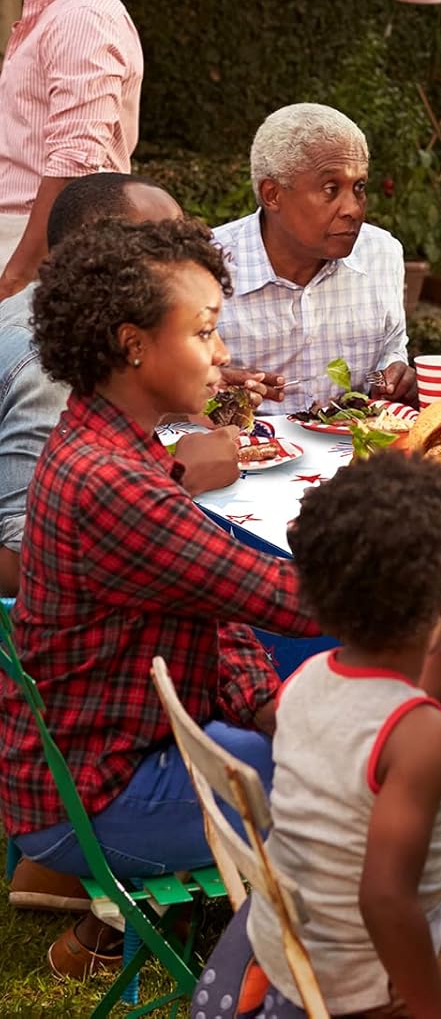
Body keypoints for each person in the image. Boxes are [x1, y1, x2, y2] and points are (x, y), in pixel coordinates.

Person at [0, 217, 320, 977]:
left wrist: (262, 703)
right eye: (204, 331)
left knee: (305, 738)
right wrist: (426, 582)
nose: (223, 353)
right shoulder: (113, 482)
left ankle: (110, 934)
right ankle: (286, 976)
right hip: (93, 795)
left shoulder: (108, 442)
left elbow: (212, 602)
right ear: (134, 345)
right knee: (353, 776)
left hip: (97, 758)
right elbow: (290, 600)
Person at [248, 452, 441, 1016]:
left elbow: (390, 725)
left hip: (298, 948)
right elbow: (387, 900)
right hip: (379, 978)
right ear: (438, 601)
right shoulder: (423, 738)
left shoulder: (307, 680)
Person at [0, 172, 243, 603]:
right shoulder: (50, 368)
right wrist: (179, 480)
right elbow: (28, 563)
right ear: (96, 259)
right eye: (158, 249)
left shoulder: (45, 312)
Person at [213, 102, 417, 408]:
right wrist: (202, 387)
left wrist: (393, 378)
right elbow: (160, 390)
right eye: (330, 189)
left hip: (356, 438)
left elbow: (391, 352)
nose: (353, 209)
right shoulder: (206, 266)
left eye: (359, 187)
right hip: (242, 440)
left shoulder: (381, 254)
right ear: (272, 194)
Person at [0, 0, 144, 301]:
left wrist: (17, 276)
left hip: (44, 250)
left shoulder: (81, 15)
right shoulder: (56, 15)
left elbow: (74, 161)